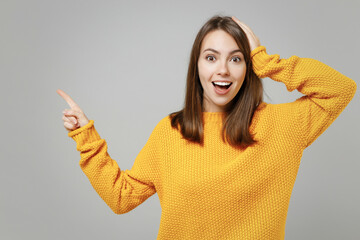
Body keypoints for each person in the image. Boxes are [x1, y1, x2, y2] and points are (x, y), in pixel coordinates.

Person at [57, 15, 356, 239]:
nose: (222, 70)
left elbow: (340, 89)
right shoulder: (171, 132)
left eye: (236, 59)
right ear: (197, 66)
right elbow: (121, 197)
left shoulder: (281, 126)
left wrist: (265, 60)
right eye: (211, 57)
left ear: (248, 66)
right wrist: (86, 136)